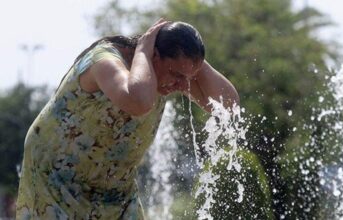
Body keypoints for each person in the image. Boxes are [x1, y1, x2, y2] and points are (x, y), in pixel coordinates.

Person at [15, 19, 239, 219]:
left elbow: (228, 105)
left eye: (187, 77)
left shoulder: (166, 74)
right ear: (154, 56)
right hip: (55, 180)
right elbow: (138, 101)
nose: (182, 85)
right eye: (177, 75)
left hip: (114, 189)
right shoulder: (104, 61)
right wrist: (143, 49)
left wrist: (193, 59)